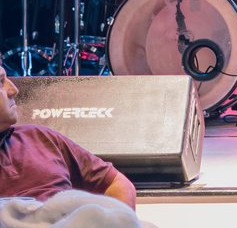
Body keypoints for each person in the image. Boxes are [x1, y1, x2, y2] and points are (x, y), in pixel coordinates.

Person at [0, 66, 137, 208]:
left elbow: (116, 183)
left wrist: (123, 219)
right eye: (0, 82)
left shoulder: (41, 137)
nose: (14, 90)